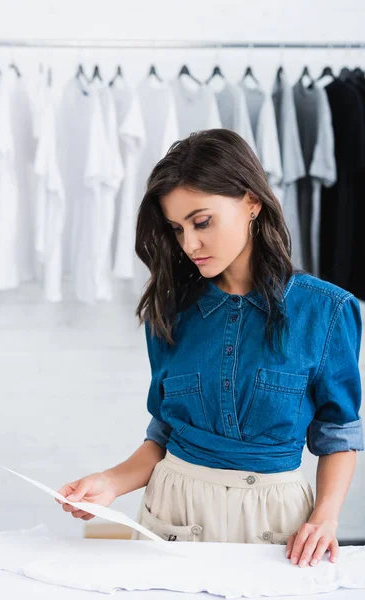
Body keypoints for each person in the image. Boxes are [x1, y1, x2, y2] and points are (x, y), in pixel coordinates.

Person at [56, 129, 364, 569]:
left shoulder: (327, 310)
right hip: (172, 512)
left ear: (251, 202)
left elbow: (337, 435)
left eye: (202, 222)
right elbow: (164, 434)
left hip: (276, 521)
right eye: (177, 229)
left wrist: (326, 517)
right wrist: (109, 482)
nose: (189, 244)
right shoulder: (170, 309)